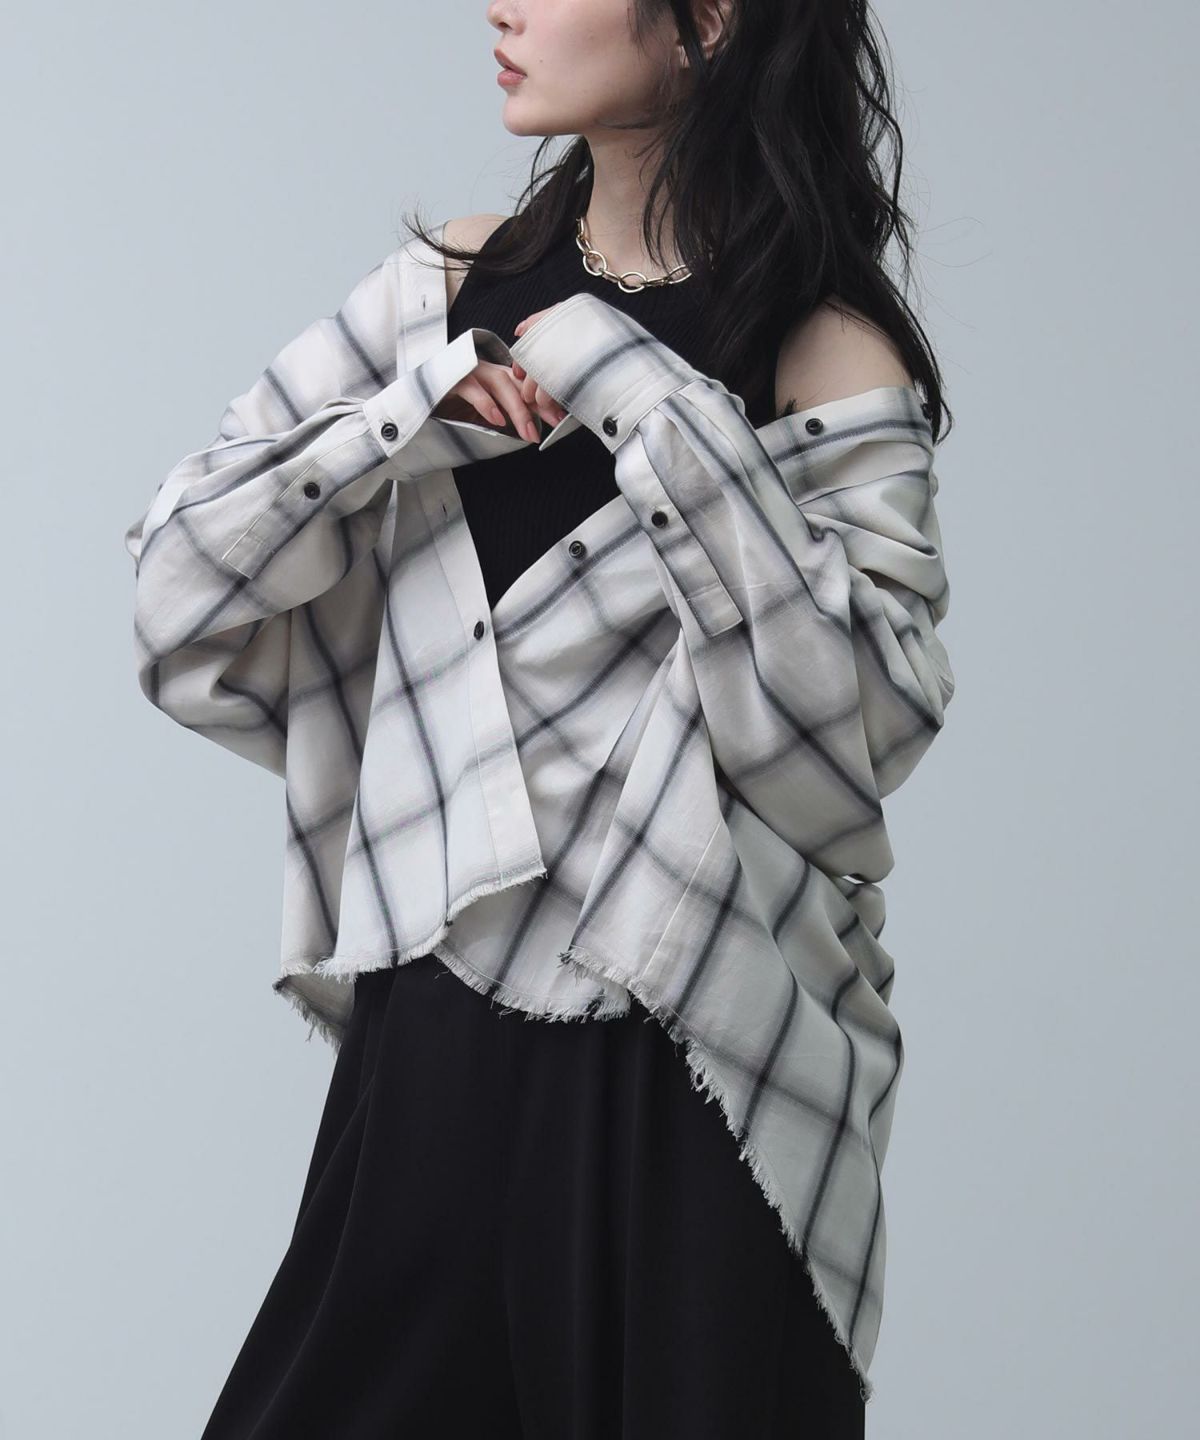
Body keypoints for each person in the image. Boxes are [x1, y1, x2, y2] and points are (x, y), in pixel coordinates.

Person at [129, 2, 955, 1435]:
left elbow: (858, 742)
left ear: (708, 20)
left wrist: (643, 394)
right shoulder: (442, 292)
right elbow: (176, 584)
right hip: (436, 1030)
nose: (503, 6)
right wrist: (410, 416)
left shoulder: (822, 345)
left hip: (702, 1065)